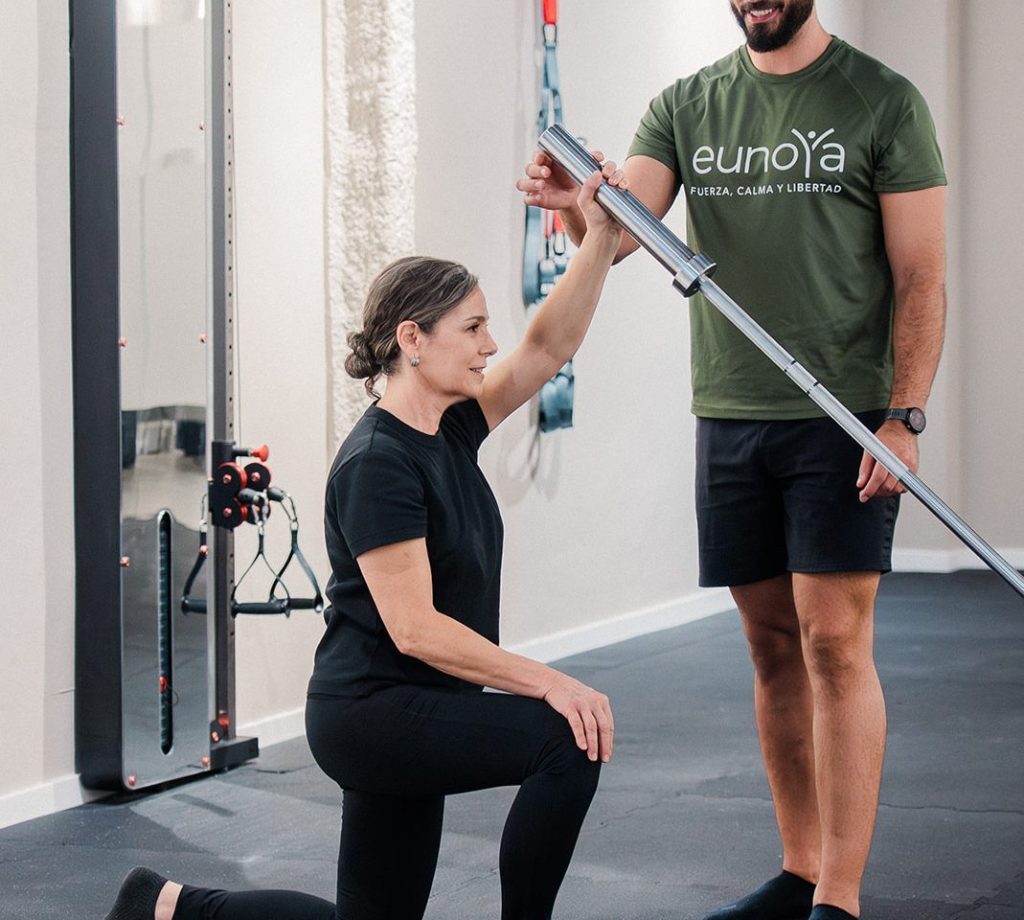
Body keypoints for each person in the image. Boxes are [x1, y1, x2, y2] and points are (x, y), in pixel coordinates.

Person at [105, 164, 627, 920]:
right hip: (373, 712)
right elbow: (415, 629)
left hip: (411, 704)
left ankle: (166, 907)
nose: (491, 343)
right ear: (412, 339)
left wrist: (601, 234)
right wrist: (548, 680)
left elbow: (547, 348)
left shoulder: (450, 426)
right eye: (473, 327)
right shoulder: (378, 463)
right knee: (566, 739)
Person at [517, 2, 946, 919]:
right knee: (770, 645)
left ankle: (840, 895)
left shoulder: (884, 102)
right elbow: (627, 226)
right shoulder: (686, 104)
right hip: (731, 410)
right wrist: (582, 208)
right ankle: (798, 871)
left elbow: (922, 276)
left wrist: (903, 417)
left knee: (835, 641)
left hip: (846, 414)